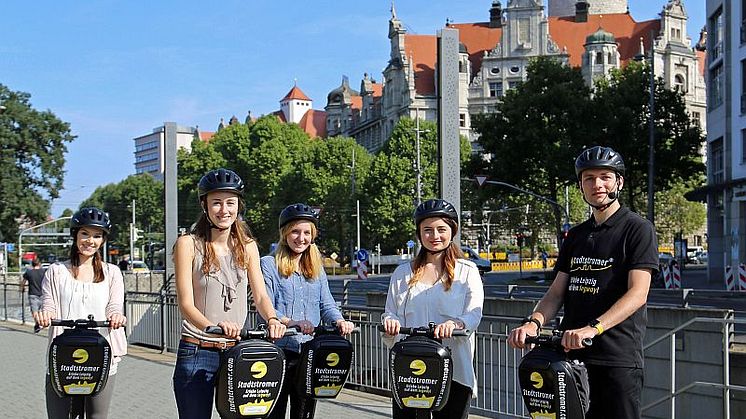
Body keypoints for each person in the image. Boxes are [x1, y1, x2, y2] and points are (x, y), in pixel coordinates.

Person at [508, 146, 658, 419]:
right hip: (570, 356)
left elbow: (638, 293)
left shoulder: (637, 229)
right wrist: (534, 322)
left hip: (616, 358)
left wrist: (593, 328)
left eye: (605, 176)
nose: (597, 184)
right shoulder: (576, 236)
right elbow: (556, 293)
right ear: (581, 186)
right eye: (589, 178)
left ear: (619, 182)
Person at [172, 168, 286, 418]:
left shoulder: (248, 247)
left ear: (238, 206)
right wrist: (214, 326)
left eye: (230, 203)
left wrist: (273, 319)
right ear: (205, 205)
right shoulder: (188, 244)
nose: (224, 210)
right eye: (216, 203)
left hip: (237, 351)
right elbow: (186, 304)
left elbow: (261, 295)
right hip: (198, 351)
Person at [382, 199, 484, 419]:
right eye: (427, 230)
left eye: (441, 229)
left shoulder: (467, 271)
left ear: (452, 231)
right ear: (419, 234)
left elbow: (474, 313)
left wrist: (456, 324)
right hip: (411, 368)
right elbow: (390, 311)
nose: (434, 236)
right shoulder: (402, 273)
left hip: (453, 367)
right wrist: (390, 322)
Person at [262, 203, 355, 419]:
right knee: (273, 412)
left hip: (310, 352)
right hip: (280, 350)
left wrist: (340, 321)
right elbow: (265, 305)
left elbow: (327, 304)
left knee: (304, 412)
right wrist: (291, 323)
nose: (301, 238)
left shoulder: (315, 267)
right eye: (295, 231)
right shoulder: (269, 264)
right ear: (285, 233)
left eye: (306, 233)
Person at [34, 207, 127, 419]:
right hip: (64, 353)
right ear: (75, 235)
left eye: (97, 236)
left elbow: (114, 305)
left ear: (103, 240)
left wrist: (116, 317)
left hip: (101, 351)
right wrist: (45, 314)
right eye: (84, 234)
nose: (90, 241)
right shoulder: (57, 271)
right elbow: (49, 303)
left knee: (97, 415)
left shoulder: (112, 273)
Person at [20, 257, 47, 332]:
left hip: (32, 294)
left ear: (32, 264)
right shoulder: (44, 271)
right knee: (42, 311)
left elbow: (23, 282)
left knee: (34, 311)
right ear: (39, 263)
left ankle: (37, 323)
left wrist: (22, 289)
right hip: (43, 293)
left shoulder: (29, 272)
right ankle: (42, 323)